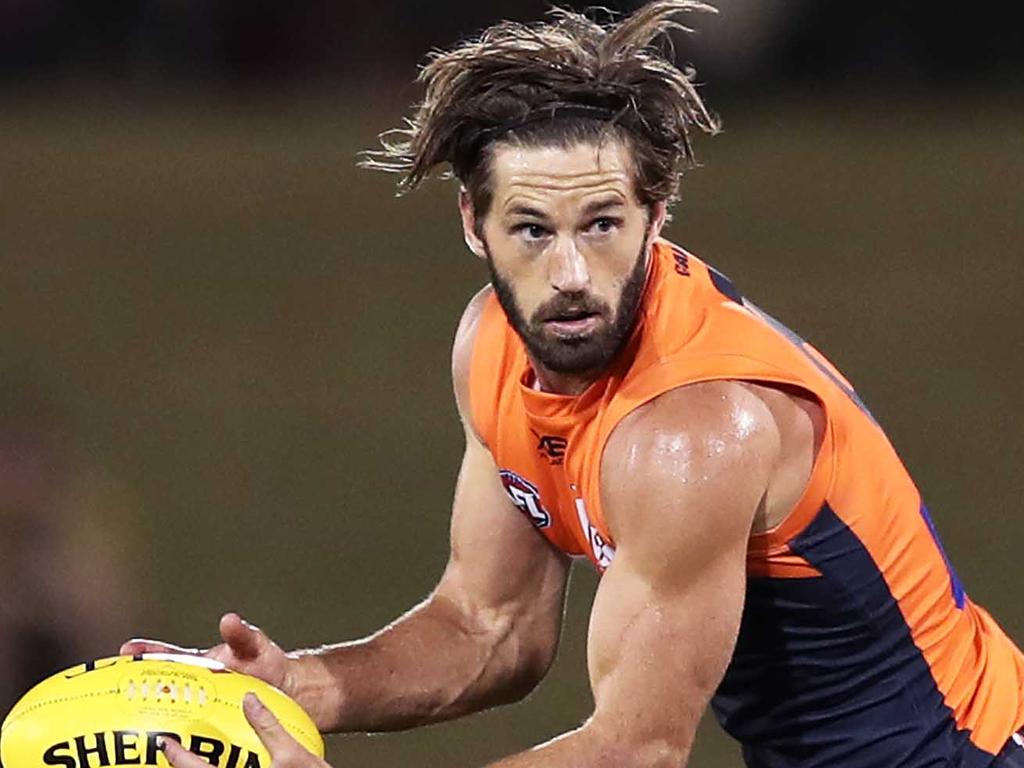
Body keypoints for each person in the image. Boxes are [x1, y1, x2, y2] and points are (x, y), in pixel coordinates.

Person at [123, 2, 1024, 766]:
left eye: (601, 224)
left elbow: (635, 750)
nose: (569, 274)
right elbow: (490, 625)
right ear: (473, 223)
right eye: (531, 229)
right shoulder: (490, 347)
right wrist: (299, 687)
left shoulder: (693, 432)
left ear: (657, 213)